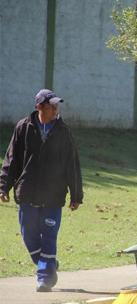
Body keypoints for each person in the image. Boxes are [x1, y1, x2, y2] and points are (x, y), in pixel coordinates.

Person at [0, 89, 83, 292]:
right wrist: (3, 186)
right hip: (27, 192)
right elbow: (12, 160)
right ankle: (49, 264)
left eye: (57, 105)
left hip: (53, 195)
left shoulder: (63, 132)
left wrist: (76, 195)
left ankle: (45, 277)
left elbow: (72, 164)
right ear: (39, 107)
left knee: (49, 236)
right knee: (29, 234)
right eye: (51, 105)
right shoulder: (23, 127)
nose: (56, 109)